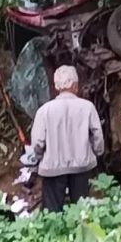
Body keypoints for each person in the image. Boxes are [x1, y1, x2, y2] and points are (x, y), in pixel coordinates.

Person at [31, 65, 104, 213]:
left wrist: (39, 157)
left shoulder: (44, 110)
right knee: (81, 210)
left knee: (52, 213)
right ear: (75, 86)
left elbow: (37, 142)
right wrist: (97, 152)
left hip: (52, 167)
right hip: (82, 167)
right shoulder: (88, 107)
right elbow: (97, 136)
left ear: (56, 86)